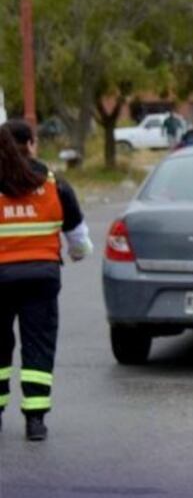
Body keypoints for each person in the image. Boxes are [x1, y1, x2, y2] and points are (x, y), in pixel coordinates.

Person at [0, 119, 93, 441]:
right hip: (41, 279)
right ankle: (35, 421)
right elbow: (79, 240)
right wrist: (78, 254)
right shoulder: (54, 183)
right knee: (37, 347)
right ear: (32, 144)